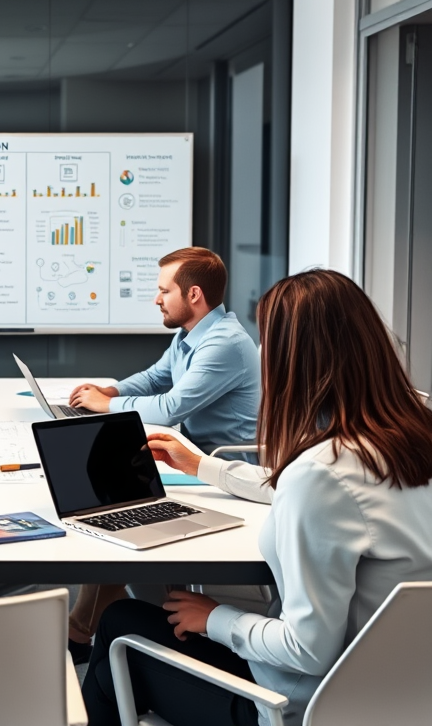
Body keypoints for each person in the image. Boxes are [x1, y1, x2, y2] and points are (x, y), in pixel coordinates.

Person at [82, 269, 432, 726]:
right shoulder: (411, 428)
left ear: (293, 360)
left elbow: (307, 649)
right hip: (407, 696)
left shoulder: (320, 474)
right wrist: (203, 466)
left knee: (119, 624)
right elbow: (300, 487)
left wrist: (215, 619)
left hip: (297, 707)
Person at [65, 247, 263, 663]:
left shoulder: (224, 343)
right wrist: (111, 391)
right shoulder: (191, 334)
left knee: (108, 491)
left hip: (218, 467)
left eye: (162, 290)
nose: (157, 299)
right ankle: (95, 614)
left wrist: (105, 407)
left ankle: (97, 619)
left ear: (193, 295)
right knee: (101, 487)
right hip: (189, 455)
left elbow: (171, 407)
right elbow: (156, 376)